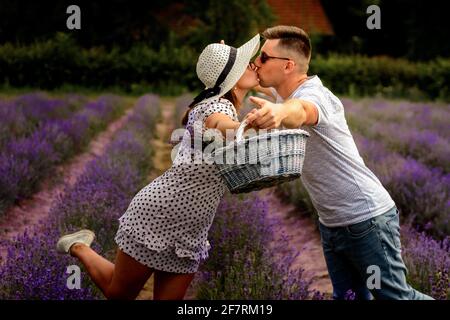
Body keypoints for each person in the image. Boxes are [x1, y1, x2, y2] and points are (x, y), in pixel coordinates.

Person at [56, 34, 261, 300]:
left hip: (192, 228)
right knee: (120, 294)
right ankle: (78, 246)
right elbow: (219, 124)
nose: (254, 65)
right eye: (247, 63)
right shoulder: (217, 106)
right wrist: (248, 126)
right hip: (159, 214)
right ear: (230, 77)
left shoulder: (223, 102)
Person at [247, 25, 433, 300]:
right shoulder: (282, 94)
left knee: (395, 297)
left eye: (263, 57)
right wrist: (229, 62)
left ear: (288, 66)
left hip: (365, 219)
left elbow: (300, 112)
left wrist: (278, 112)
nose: (257, 63)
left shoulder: (314, 96)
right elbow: (261, 89)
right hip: (332, 223)